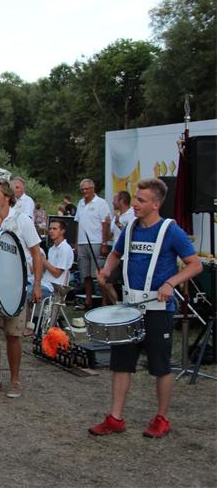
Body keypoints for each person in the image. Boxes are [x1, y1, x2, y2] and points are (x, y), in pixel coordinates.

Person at [90, 178, 202, 438]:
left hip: (158, 309)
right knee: (121, 364)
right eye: (135, 198)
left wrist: (171, 283)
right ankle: (115, 418)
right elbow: (116, 254)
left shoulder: (171, 230)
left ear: (156, 204)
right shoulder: (130, 228)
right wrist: (106, 270)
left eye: (141, 200)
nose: (135, 204)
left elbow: (195, 264)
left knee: (160, 366)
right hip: (129, 308)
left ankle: (161, 418)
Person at [0, 177, 43, 399]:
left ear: (7, 197)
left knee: (13, 335)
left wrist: (37, 284)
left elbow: (36, 254)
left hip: (15, 287)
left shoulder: (22, 220)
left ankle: (15, 381)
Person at [23, 219, 74, 336]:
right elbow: (46, 270)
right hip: (45, 283)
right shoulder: (52, 249)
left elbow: (57, 273)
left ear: (62, 231)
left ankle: (29, 326)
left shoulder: (65, 249)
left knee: (25, 293)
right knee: (20, 287)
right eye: (50, 228)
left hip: (55, 289)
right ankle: (28, 323)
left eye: (54, 229)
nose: (51, 231)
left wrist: (43, 260)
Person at [75, 179, 112, 310]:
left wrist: (104, 243)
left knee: (99, 274)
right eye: (82, 189)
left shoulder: (101, 203)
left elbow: (105, 224)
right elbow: (78, 223)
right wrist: (76, 243)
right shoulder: (80, 203)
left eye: (87, 189)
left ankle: (104, 302)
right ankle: (88, 300)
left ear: (93, 188)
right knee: (85, 274)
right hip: (82, 242)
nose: (84, 191)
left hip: (96, 242)